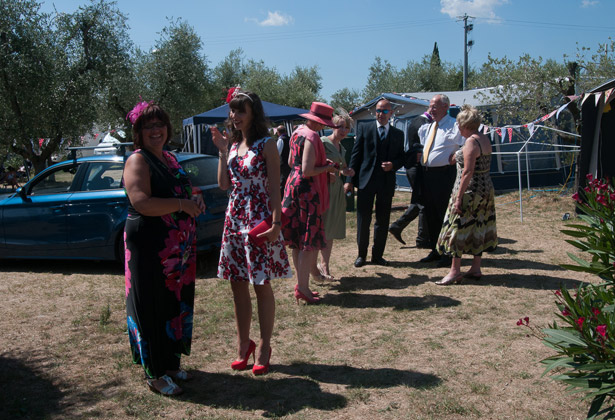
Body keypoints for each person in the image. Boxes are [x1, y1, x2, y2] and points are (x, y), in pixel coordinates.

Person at [123, 101, 206, 396]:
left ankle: (171, 364)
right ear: (139, 132)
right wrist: (183, 204)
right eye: (149, 127)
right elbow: (142, 202)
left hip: (177, 250)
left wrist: (195, 198)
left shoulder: (169, 159)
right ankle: (155, 373)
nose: (156, 131)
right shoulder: (138, 161)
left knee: (174, 303)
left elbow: (183, 189)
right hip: (150, 245)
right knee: (152, 306)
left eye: (160, 125)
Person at [211, 89, 291, 376]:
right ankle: (244, 344)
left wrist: (276, 223)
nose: (235, 116)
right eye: (232, 111)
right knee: (236, 285)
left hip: (258, 220)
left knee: (261, 284)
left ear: (253, 113)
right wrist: (222, 151)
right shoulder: (232, 145)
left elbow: (274, 187)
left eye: (241, 110)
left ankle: (266, 346)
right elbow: (223, 184)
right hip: (234, 219)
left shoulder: (267, 143)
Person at [281, 102, 337, 303]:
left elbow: (290, 163)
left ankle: (301, 285)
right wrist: (326, 168)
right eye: (323, 123)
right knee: (308, 243)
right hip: (306, 191)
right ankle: (303, 288)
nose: (323, 127)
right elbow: (307, 171)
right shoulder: (312, 136)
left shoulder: (297, 132)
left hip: (291, 187)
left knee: (298, 241)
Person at [435, 105, 498, 285]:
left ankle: (455, 271)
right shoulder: (483, 138)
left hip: (471, 190)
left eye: (458, 124)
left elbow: (468, 172)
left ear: (465, 124)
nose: (457, 127)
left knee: (458, 227)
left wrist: (458, 198)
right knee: (478, 225)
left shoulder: (471, 142)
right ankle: (476, 268)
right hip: (485, 189)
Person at [344, 98, 405, 267]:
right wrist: (349, 179)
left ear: (391, 113)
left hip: (386, 182)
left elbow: (402, 157)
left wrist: (393, 165)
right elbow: (355, 156)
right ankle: (361, 255)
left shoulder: (398, 134)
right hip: (366, 181)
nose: (381, 114)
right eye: (378, 111)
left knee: (382, 220)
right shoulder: (365, 129)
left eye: (385, 111)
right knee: (363, 220)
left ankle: (377, 255)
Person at [417, 94, 465, 265]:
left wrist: (457, 155)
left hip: (444, 175)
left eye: (435, 106)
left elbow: (468, 143)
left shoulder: (454, 125)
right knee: (430, 214)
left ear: (446, 107)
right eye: (430, 106)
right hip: (427, 174)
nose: (432, 110)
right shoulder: (429, 127)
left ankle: (448, 253)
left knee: (444, 213)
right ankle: (435, 249)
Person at [313, 111, 355, 280]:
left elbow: (341, 167)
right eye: (340, 127)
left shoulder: (342, 147)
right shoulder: (323, 142)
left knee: (330, 229)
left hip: (336, 190)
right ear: (333, 126)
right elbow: (312, 165)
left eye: (347, 128)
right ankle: (314, 267)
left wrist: (347, 172)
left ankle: (325, 266)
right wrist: (325, 174)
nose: (344, 131)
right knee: (321, 227)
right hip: (323, 190)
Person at [388, 111, 432, 248]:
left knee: (419, 201)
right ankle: (422, 239)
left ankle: (397, 226)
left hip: (414, 165)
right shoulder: (423, 123)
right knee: (423, 203)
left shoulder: (415, 120)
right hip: (416, 166)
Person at [276, 125, 291, 196]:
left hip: (283, 164)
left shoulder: (281, 140)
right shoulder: (290, 138)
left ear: (278, 132)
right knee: (289, 180)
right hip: (290, 162)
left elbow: (277, 153)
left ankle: (282, 197)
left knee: (282, 181)